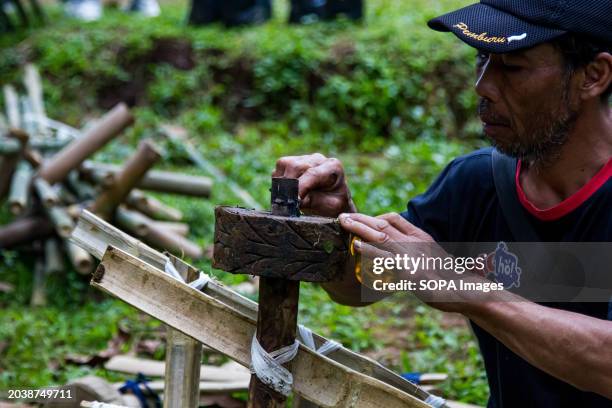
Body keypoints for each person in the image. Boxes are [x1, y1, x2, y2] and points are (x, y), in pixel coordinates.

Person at [273, 0, 612, 406]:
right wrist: (338, 220)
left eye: (513, 66)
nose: (483, 85)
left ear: (593, 76)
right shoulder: (478, 183)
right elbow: (361, 286)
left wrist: (464, 288)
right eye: (482, 58)